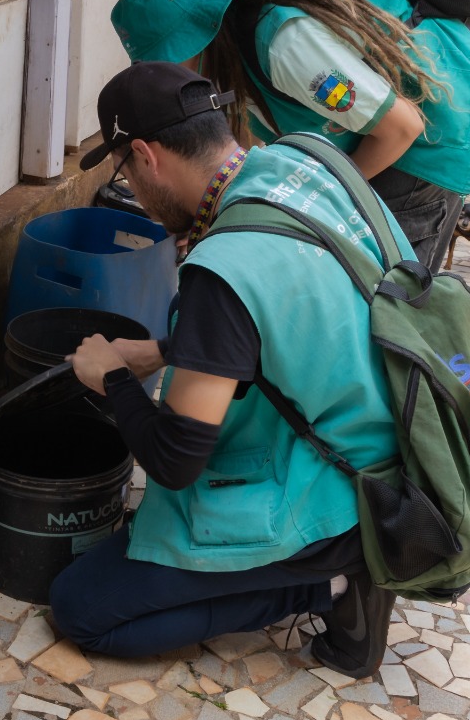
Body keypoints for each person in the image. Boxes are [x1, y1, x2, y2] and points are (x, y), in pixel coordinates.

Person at [47, 61, 398, 679]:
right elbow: (283, 313)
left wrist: (114, 379)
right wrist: (164, 350)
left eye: (124, 171)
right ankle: (332, 566)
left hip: (344, 497)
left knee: (82, 609)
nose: (129, 185)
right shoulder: (306, 161)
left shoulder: (220, 265)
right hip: (386, 448)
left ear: (145, 155)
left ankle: (329, 585)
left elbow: (177, 461)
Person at [110, 0, 470, 269]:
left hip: (450, 93)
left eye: (166, 63)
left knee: (385, 275)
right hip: (392, 117)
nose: (164, 80)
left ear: (196, 37)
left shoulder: (285, 45)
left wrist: (314, 194)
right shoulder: (223, 59)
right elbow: (243, 153)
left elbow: (401, 128)